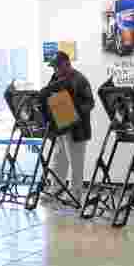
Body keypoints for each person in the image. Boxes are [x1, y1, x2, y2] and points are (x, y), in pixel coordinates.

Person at [42, 51, 94, 206]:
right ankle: (55, 189)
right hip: (60, 127)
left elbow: (90, 103)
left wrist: (75, 111)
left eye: (57, 67)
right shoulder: (55, 78)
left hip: (77, 129)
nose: (54, 70)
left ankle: (75, 194)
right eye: (53, 67)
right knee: (58, 160)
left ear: (66, 63)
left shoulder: (80, 79)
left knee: (75, 163)